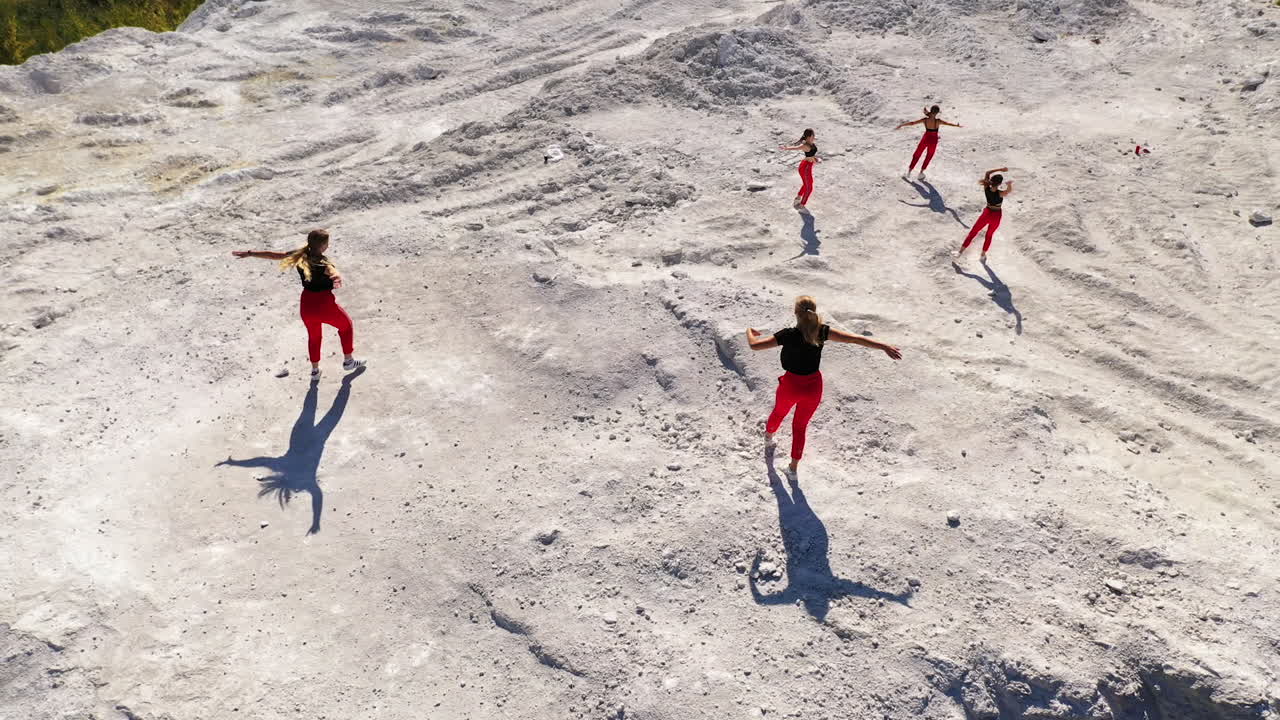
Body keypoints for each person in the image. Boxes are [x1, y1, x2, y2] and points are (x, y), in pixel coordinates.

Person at [746, 296, 902, 478]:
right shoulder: (821, 332)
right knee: (800, 426)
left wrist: (749, 331)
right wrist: (883, 346)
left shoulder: (787, 334)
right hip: (813, 387)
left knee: (780, 412)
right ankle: (793, 469)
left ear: (795, 313)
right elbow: (854, 339)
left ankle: (768, 437)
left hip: (791, 384)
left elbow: (754, 346)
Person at [233, 229, 365, 380]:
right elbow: (332, 270)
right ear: (323, 246)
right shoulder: (323, 262)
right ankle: (348, 361)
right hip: (324, 304)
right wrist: (336, 277)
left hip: (307, 305)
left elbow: (275, 255)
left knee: (314, 337)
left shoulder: (300, 255)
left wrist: (251, 253)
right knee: (346, 326)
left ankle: (315, 371)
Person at [957, 167, 1014, 262]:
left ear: (991, 181)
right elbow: (1008, 191)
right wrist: (1009, 184)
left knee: (973, 232)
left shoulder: (986, 188)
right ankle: (983, 255)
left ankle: (960, 251)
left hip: (987, 213)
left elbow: (987, 172)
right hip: (996, 215)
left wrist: (1000, 169)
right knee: (989, 235)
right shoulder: (1000, 193)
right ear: (1000, 184)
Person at [895, 104, 961, 181]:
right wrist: (956, 126)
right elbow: (948, 124)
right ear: (937, 113)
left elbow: (912, 123)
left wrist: (902, 125)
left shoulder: (925, 120)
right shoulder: (938, 121)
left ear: (930, 111)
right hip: (933, 140)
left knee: (917, 154)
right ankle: (921, 173)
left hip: (926, 138)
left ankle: (909, 172)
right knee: (929, 156)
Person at [778, 128, 820, 208]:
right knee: (809, 188)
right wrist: (786, 148)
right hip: (805, 168)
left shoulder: (811, 141)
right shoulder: (805, 146)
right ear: (808, 137)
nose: (813, 137)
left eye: (813, 135)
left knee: (807, 184)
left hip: (807, 165)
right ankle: (801, 205)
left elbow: (812, 152)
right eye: (812, 135)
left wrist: (814, 158)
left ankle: (798, 197)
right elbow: (795, 148)